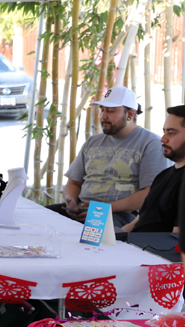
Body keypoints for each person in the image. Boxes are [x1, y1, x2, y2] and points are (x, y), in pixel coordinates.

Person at [54, 85, 169, 228]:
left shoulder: (151, 144)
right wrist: (70, 200)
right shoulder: (93, 142)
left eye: (111, 111)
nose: (103, 116)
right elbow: (73, 182)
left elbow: (150, 194)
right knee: (41, 219)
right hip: (82, 210)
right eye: (102, 110)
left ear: (130, 114)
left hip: (121, 214)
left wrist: (106, 208)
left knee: (89, 233)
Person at [122, 105, 185, 233]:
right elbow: (137, 222)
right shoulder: (163, 176)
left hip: (155, 251)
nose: (163, 139)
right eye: (164, 131)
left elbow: (176, 241)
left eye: (171, 133)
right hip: (134, 246)